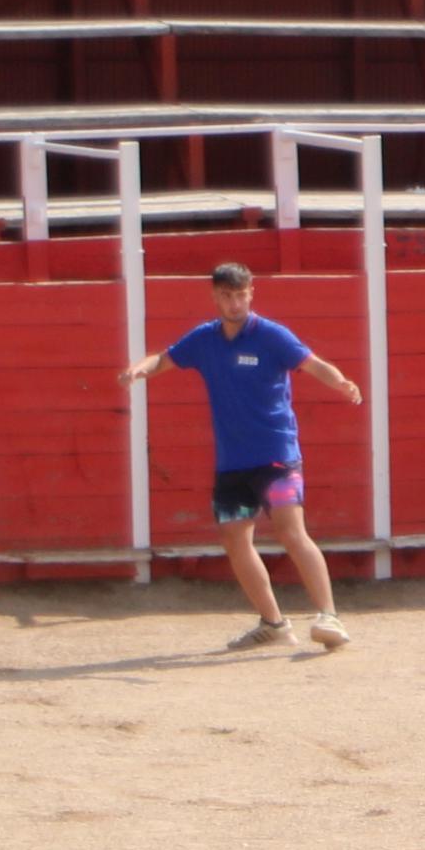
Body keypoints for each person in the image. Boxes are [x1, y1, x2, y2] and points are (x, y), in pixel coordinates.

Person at [122, 262, 365, 652]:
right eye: (226, 296)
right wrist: (140, 368)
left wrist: (341, 382)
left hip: (276, 456)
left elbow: (311, 363)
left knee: (290, 531)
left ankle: (329, 615)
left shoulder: (270, 335)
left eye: (240, 295)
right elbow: (163, 359)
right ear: (215, 296)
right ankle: (273, 623)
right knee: (235, 541)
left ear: (251, 293)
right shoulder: (204, 339)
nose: (234, 303)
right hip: (233, 462)